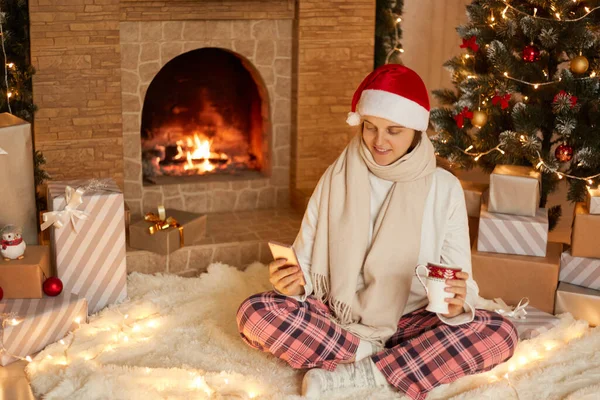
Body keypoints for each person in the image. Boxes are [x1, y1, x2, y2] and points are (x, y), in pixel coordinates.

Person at [236, 64, 517, 400]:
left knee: (500, 333)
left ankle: (361, 370)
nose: (378, 142)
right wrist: (295, 285)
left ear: (415, 130)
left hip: (413, 321)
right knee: (255, 314)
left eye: (393, 131)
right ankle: (386, 363)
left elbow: (463, 283)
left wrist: (456, 306)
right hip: (339, 316)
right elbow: (307, 265)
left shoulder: (444, 188)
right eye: (370, 127)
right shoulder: (337, 175)